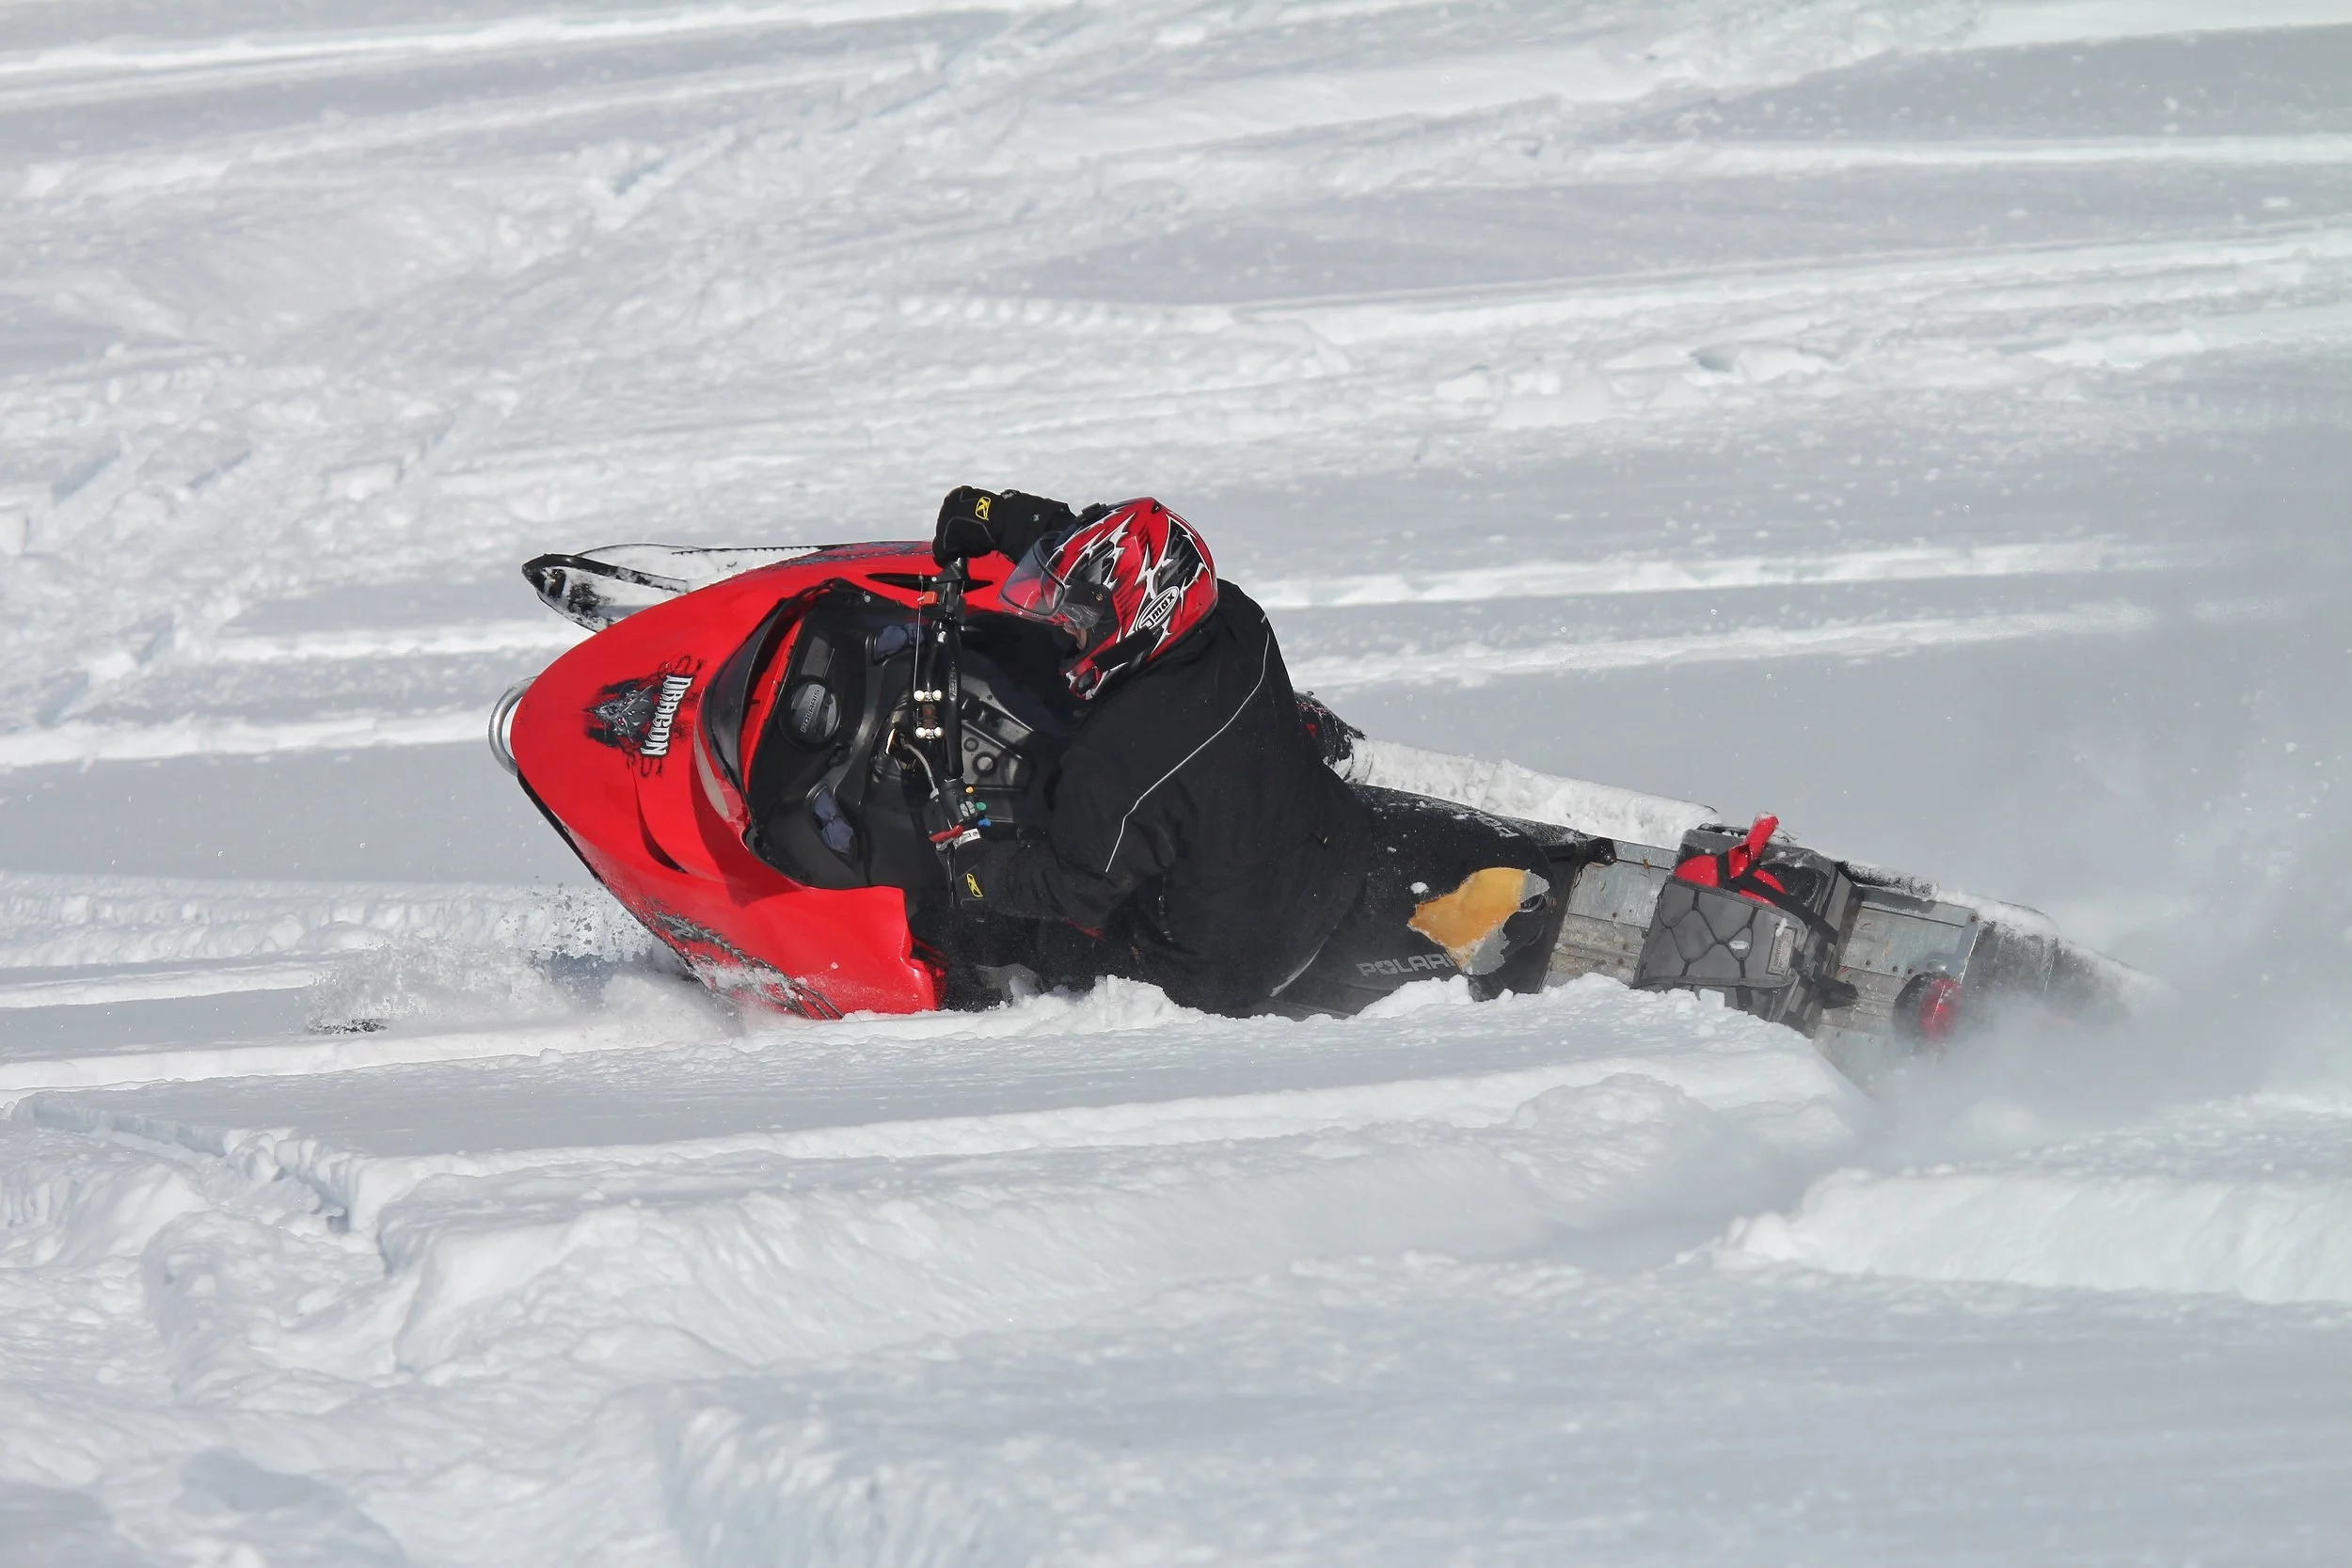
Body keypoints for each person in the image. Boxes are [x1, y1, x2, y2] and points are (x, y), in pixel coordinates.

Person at [929, 485, 1373, 1017]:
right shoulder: (1236, 613)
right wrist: (1001, 517)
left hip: (1224, 967)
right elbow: (1110, 565)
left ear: (1147, 615)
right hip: (1328, 841)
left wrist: (976, 869)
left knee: (997, 931)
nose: (1068, 627)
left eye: (1081, 619)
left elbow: (1075, 887)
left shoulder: (1119, 756)